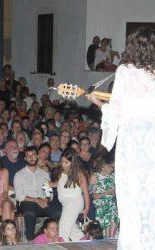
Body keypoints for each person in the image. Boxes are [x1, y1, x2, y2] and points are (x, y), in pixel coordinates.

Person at [88, 26, 155, 250]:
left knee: (131, 195)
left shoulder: (125, 70)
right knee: (150, 197)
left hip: (133, 144)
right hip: (151, 143)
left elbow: (116, 110)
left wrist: (97, 103)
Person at [13, 146, 61, 241]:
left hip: (42, 201)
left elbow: (49, 193)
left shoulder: (44, 174)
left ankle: (53, 237)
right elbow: (19, 196)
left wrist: (46, 199)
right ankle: (30, 238)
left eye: (33, 154)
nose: (31, 157)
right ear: (25, 158)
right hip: (27, 201)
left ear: (38, 156)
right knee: (30, 212)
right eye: (28, 155)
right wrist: (36, 200)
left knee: (57, 211)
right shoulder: (19, 175)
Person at [57, 150, 90, 242]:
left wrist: (87, 208)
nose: (63, 164)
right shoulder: (62, 172)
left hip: (74, 203)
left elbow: (86, 192)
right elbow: (60, 184)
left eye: (66, 162)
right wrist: (50, 184)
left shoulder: (79, 174)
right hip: (66, 204)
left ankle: (63, 245)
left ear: (73, 162)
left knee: (63, 229)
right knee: (72, 228)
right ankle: (84, 243)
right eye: (62, 161)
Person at [89, 158, 118, 238]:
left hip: (111, 204)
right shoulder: (95, 176)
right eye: (110, 167)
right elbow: (93, 196)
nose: (112, 169)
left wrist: (114, 192)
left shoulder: (113, 176)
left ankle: (111, 239)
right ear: (103, 165)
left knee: (114, 214)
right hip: (101, 205)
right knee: (103, 229)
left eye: (113, 167)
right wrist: (106, 193)